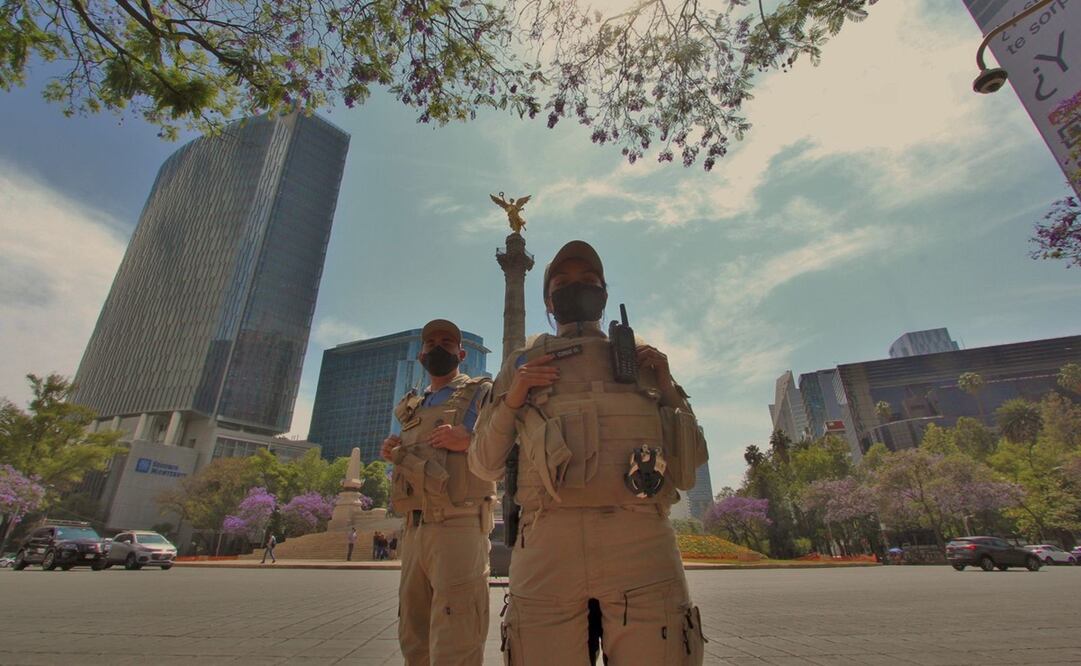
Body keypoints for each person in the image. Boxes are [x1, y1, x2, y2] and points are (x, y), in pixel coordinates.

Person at [469, 240, 709, 665]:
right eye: (561, 281)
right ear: (547, 300)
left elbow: (692, 465)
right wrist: (514, 398)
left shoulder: (642, 361)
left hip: (641, 545)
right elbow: (483, 463)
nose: (575, 287)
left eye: (588, 280)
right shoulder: (520, 364)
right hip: (547, 547)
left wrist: (669, 387)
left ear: (604, 293)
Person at [381, 319, 496, 666]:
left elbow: (507, 447)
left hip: (458, 525)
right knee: (414, 639)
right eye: (430, 342)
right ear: (420, 355)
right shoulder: (411, 407)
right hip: (413, 530)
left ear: (461, 353)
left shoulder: (481, 391)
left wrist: (471, 440)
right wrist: (394, 451)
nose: (438, 347)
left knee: (456, 639)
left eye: (447, 341)